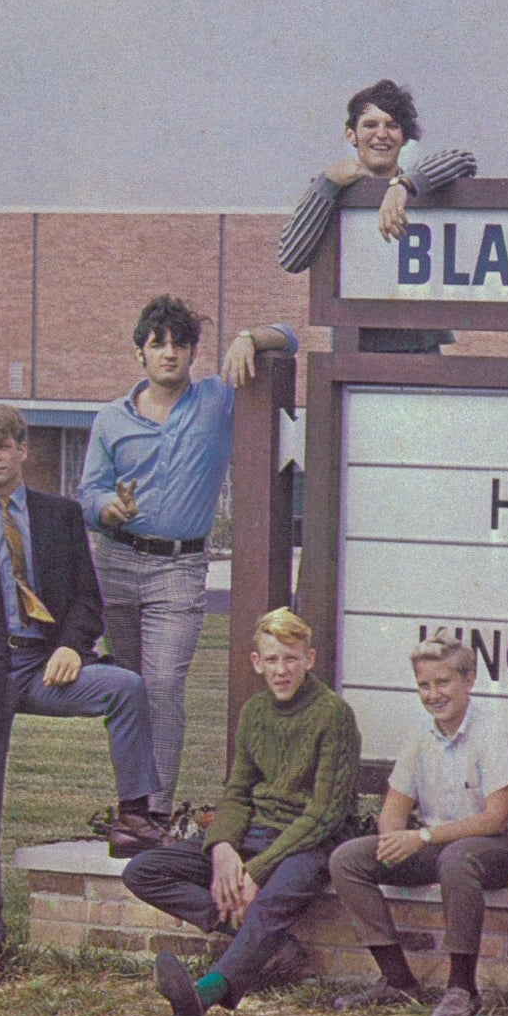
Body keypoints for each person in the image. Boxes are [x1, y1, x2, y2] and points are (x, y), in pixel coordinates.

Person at [0, 402, 169, 987]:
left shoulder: (59, 517)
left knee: (126, 687)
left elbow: (88, 599)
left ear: (23, 450)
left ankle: (134, 815)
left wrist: (73, 646)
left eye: (4, 445)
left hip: (42, 665)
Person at [77, 295, 296, 818]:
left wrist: (248, 336)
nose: (169, 354)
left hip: (178, 568)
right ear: (141, 355)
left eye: (180, 344)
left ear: (193, 353)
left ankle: (155, 811)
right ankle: (132, 809)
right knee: (126, 691)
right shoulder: (111, 419)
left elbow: (287, 335)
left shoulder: (218, 401)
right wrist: (110, 508)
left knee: (163, 687)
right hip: (115, 564)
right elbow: (87, 495)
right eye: (158, 345)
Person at [124, 607, 360, 1016]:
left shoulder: (333, 714)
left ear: (310, 659)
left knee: (271, 900)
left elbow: (325, 813)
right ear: (257, 663)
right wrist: (223, 850)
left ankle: (206, 993)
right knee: (144, 870)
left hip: (310, 843)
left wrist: (255, 871)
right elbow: (237, 792)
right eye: (271, 659)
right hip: (256, 834)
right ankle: (268, 946)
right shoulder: (254, 713)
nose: (282, 670)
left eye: (291, 658)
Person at [328, 634, 508, 1016]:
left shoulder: (493, 732)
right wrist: (393, 840)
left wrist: (422, 837)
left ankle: (462, 988)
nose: (433, 694)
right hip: (444, 843)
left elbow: (495, 817)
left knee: (457, 859)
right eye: (424, 685)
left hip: (505, 843)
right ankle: (396, 979)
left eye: (443, 682)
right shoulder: (420, 736)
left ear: (469, 680)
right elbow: (393, 811)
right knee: (349, 858)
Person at [224, 78, 477, 375]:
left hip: (422, 349)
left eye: (392, 125)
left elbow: (463, 160)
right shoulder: (332, 191)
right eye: (370, 125)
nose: (381, 134)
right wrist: (326, 185)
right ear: (351, 134)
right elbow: (290, 258)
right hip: (356, 350)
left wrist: (402, 186)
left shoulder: (420, 184)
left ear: (404, 137)